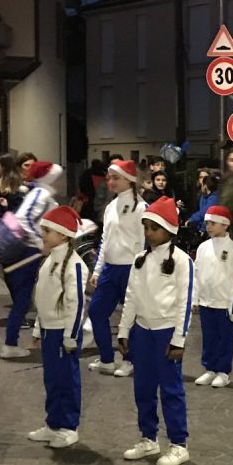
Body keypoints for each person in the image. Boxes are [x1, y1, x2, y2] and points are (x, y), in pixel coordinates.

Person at [118, 197, 193, 465]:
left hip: (166, 333)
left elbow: (185, 303)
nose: (148, 233)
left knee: (171, 390)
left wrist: (178, 339)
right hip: (142, 332)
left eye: (154, 228)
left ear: (169, 230)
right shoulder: (139, 259)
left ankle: (178, 444)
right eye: (146, 227)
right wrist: (124, 330)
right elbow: (131, 297)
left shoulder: (182, 261)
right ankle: (148, 438)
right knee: (143, 388)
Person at [26, 205, 89, 450]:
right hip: (48, 331)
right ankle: (53, 423)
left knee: (67, 381)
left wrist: (71, 336)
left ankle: (69, 427)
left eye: (47, 231)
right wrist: (37, 328)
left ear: (62, 235)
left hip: (63, 332)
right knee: (51, 380)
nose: (43, 235)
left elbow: (76, 303)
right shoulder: (49, 261)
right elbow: (42, 298)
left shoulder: (74, 265)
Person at [0, 161, 63, 359]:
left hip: (26, 250)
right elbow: (24, 218)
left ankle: (12, 342)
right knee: (23, 300)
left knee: (24, 299)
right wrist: (40, 242)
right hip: (26, 251)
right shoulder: (41, 194)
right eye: (58, 177)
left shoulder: (40, 193)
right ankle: (10, 344)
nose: (61, 182)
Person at [88, 158, 147, 376]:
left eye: (115, 178)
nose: (110, 182)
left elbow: (144, 243)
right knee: (96, 311)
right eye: (109, 178)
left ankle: (130, 360)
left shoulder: (141, 207)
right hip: (110, 270)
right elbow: (105, 239)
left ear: (129, 180)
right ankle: (107, 359)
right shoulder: (111, 207)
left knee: (130, 318)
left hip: (131, 269)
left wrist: (141, 271)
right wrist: (98, 269)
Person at [193, 205, 233, 388]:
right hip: (206, 301)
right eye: (207, 223)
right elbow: (197, 273)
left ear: (225, 225)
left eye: (212, 223)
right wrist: (195, 298)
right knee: (209, 337)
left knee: (224, 338)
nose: (208, 226)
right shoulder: (203, 248)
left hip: (224, 303)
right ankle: (210, 368)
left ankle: (223, 371)